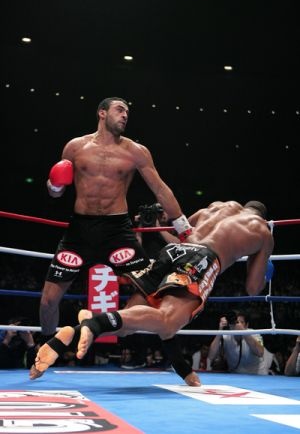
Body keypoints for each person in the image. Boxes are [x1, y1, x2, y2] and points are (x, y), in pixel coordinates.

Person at [30, 200, 274, 385]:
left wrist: (156, 226)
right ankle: (94, 323)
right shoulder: (262, 230)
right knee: (167, 322)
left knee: (126, 325)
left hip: (173, 252)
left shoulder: (217, 206)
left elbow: (182, 236)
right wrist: (265, 272)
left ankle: (74, 332)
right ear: (262, 216)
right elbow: (253, 288)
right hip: (202, 260)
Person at [39, 97, 192, 344]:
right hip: (79, 231)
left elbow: (160, 189)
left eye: (127, 113)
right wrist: (54, 186)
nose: (125, 116)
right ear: (102, 113)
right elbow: (56, 193)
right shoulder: (75, 147)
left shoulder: (136, 152)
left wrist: (182, 226)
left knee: (152, 295)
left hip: (118, 232)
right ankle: (45, 349)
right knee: (48, 300)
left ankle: (175, 361)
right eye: (120, 110)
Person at [207, 310, 273, 375]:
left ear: (247, 325)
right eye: (235, 322)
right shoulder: (226, 336)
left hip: (257, 375)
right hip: (235, 377)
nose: (237, 324)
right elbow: (211, 356)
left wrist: (243, 332)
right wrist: (220, 331)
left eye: (241, 322)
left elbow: (260, 352)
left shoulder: (255, 334)